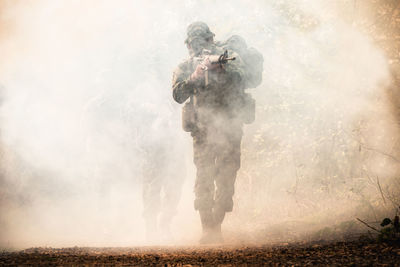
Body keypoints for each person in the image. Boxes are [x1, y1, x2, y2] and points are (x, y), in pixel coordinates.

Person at [172, 22, 255, 243]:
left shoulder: (230, 57)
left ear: (211, 40)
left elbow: (244, 78)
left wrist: (224, 70)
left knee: (227, 178)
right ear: (188, 45)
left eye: (204, 41)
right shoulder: (186, 66)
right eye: (194, 43)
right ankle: (208, 228)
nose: (199, 46)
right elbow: (177, 95)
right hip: (202, 130)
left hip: (230, 127)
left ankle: (217, 220)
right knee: (204, 177)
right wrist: (194, 77)